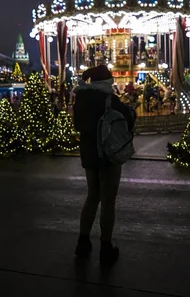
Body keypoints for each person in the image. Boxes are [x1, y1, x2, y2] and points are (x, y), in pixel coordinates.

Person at [73, 65, 135, 263]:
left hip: (88, 155)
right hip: (107, 155)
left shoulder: (80, 99)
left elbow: (77, 125)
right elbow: (128, 118)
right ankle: (105, 247)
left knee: (92, 196)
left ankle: (83, 242)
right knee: (108, 200)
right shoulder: (109, 99)